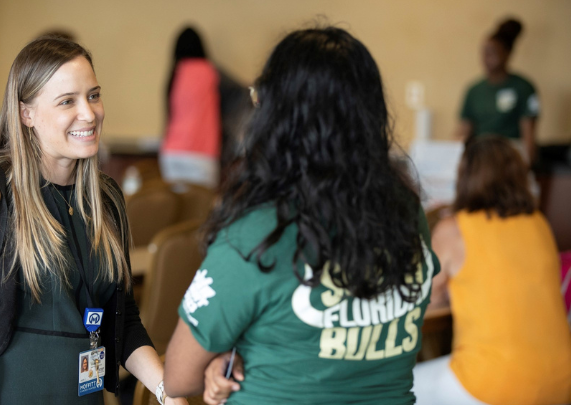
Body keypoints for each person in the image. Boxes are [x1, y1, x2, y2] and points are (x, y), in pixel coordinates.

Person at [163, 26, 440, 405]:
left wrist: (225, 358)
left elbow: (178, 378)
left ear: (278, 121)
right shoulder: (406, 212)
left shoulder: (260, 232)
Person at [0, 37, 187, 405]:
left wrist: (168, 393)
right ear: (27, 114)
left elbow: (123, 321)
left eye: (94, 95)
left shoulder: (106, 198)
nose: (89, 113)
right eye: (67, 101)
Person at [412, 136, 571, 405]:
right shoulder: (538, 224)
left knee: (396, 387)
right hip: (566, 383)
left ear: (464, 174)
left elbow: (425, 300)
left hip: (499, 386)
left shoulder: (455, 229)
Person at [456, 18, 539, 162]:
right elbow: (463, 131)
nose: (486, 58)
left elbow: (529, 136)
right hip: (480, 158)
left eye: (492, 53)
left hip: (510, 158)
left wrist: (526, 167)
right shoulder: (474, 90)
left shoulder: (524, 87)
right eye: (483, 52)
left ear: (507, 53)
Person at [160, 27, 221, 188]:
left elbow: (170, 113)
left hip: (172, 152)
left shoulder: (176, 72)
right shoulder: (211, 72)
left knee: (177, 210)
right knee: (201, 210)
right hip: (202, 154)